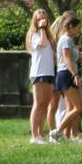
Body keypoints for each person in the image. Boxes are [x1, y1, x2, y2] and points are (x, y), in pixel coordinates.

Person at [26, 9, 57, 144]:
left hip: (49, 72)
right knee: (38, 104)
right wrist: (42, 28)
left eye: (44, 18)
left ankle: (41, 133)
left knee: (45, 105)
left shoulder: (50, 37)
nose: (42, 21)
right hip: (39, 73)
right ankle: (34, 135)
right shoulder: (34, 35)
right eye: (39, 19)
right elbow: (42, 43)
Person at [52, 11, 82, 141]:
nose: (79, 31)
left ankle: (69, 136)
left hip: (65, 74)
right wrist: (75, 75)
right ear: (70, 26)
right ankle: (57, 132)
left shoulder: (68, 40)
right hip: (66, 74)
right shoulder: (66, 39)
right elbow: (66, 59)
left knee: (71, 107)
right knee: (79, 107)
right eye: (78, 27)